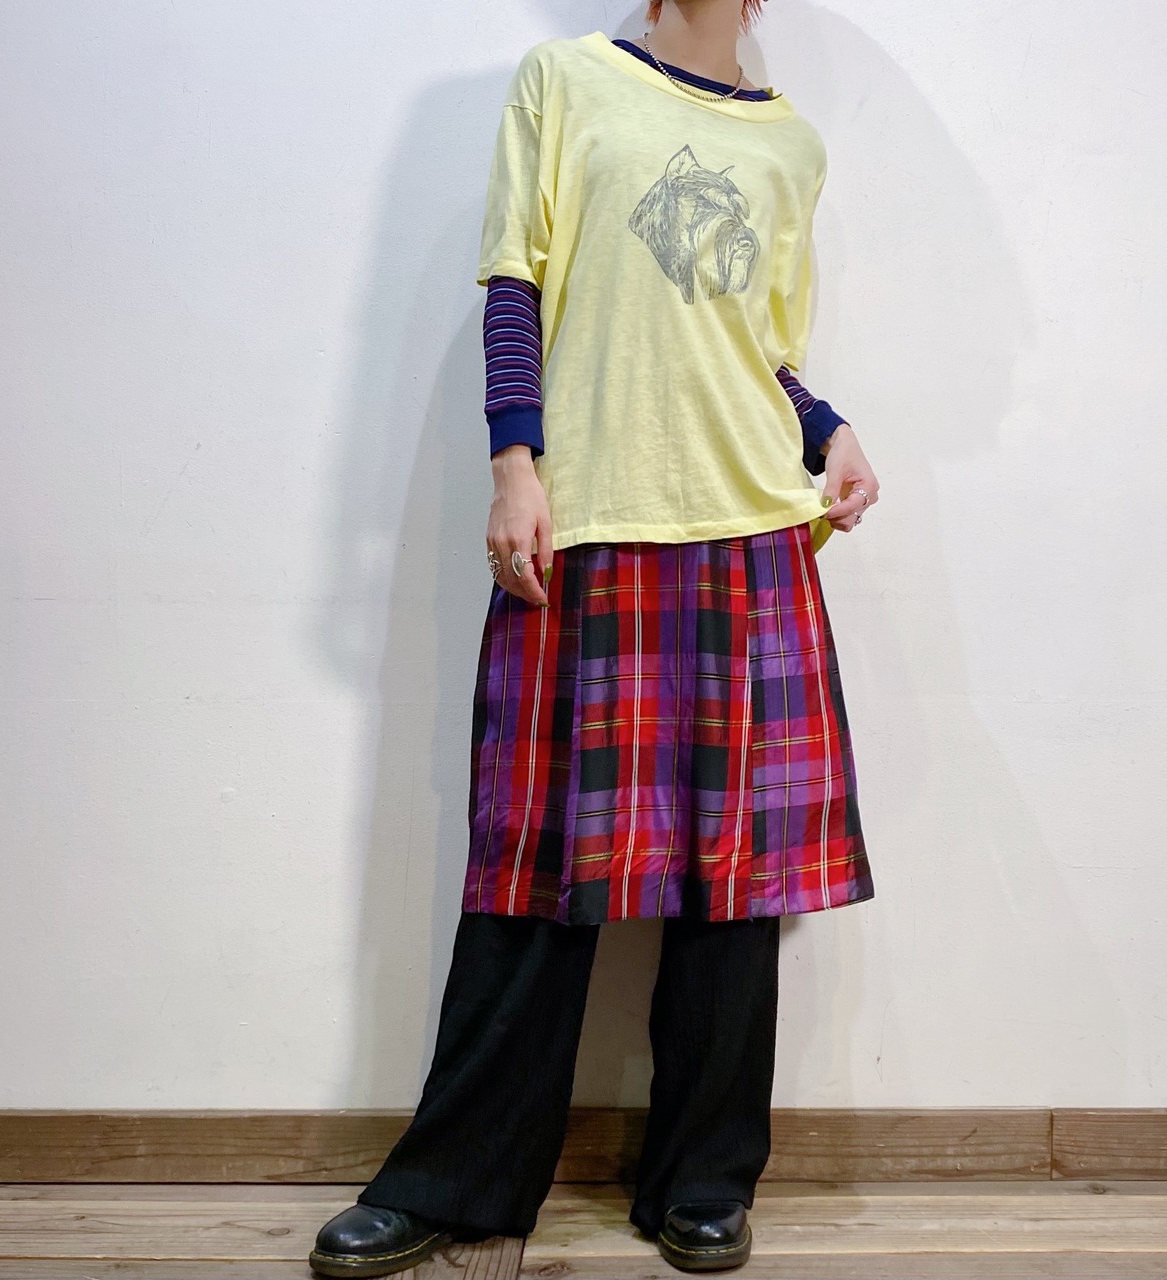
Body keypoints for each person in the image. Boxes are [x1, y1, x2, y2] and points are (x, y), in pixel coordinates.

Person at [309, 2, 878, 1275]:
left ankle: (703, 1179)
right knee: (534, 863)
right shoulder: (564, 81)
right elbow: (515, 278)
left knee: (733, 881)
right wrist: (514, 463)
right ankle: (456, 1178)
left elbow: (756, 345)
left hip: (748, 524)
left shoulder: (791, 144)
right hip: (591, 517)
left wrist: (826, 427)